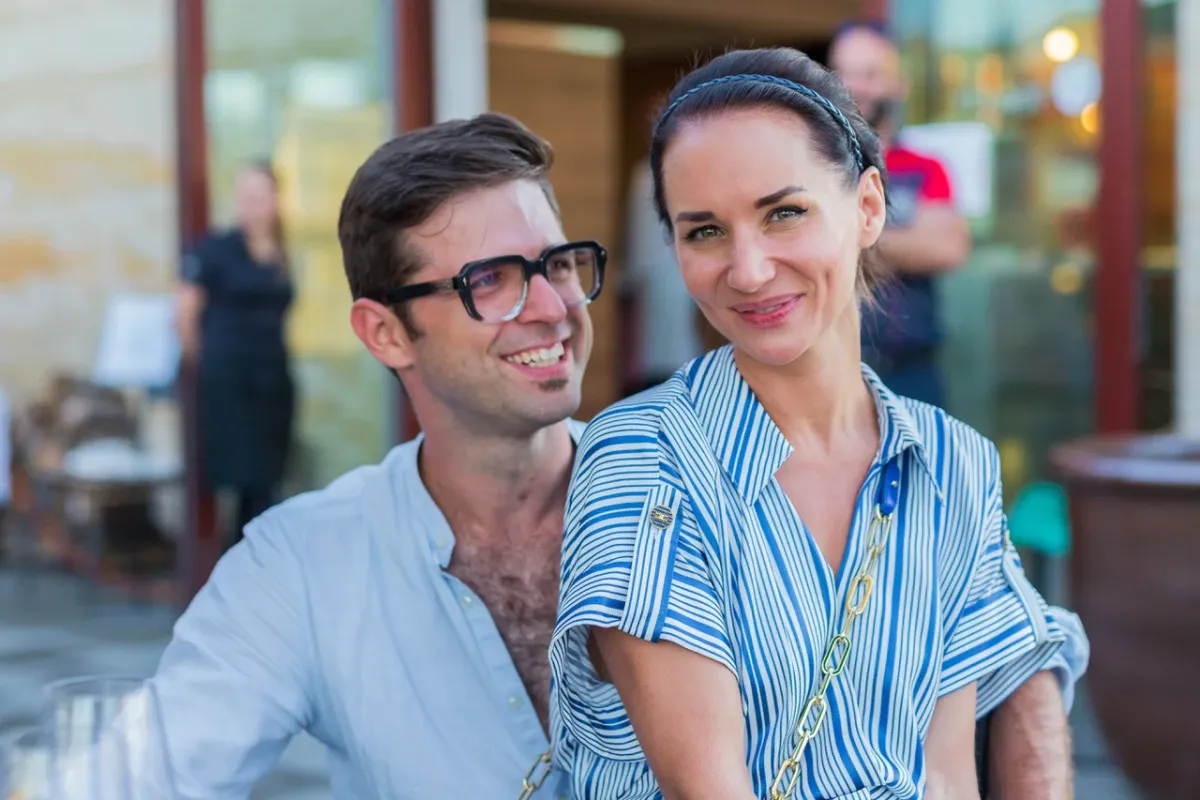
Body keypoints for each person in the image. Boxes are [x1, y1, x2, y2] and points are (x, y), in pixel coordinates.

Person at [149, 114, 1083, 799]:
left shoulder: (717, 471)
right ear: (385, 332)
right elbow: (148, 769)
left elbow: (1016, 659)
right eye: (491, 282)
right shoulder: (301, 565)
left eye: (556, 264)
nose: (552, 308)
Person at [548, 48, 1082, 800]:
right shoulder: (643, 457)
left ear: (868, 208)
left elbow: (945, 775)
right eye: (704, 231)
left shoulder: (952, 463)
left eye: (784, 213)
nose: (749, 270)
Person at [829, 21, 971, 408]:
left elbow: (946, 248)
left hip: (909, 376)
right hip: (827, 374)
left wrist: (840, 237)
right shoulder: (811, 164)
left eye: (870, 74)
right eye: (843, 72)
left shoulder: (924, 167)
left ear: (898, 84)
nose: (854, 86)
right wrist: (901, 241)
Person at [175, 162, 295, 542]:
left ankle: (265, 558)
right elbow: (184, 314)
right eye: (245, 196)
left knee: (268, 481)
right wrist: (206, 363)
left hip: (271, 378)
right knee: (240, 479)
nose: (252, 204)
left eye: (259, 195)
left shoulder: (281, 252)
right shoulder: (215, 251)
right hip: (230, 380)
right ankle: (235, 558)